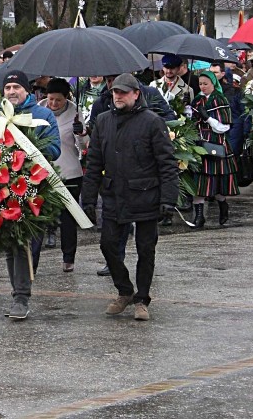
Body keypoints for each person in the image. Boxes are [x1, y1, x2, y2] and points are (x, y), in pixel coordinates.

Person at [81, 73, 179, 322]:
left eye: (124, 92)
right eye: (115, 92)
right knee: (108, 245)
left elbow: (167, 163)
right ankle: (124, 290)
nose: (118, 96)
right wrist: (89, 200)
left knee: (146, 249)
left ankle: (142, 299)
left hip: (146, 195)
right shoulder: (103, 121)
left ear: (137, 94)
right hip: (114, 195)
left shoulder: (152, 121)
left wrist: (169, 198)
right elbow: (93, 163)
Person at [1, 70, 60, 319]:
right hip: (2, 187)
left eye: (17, 87)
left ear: (27, 90)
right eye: (8, 88)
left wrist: (27, 153)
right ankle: (19, 292)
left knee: (26, 241)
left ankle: (21, 295)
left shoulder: (43, 115)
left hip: (34, 187)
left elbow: (54, 149)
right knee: (10, 241)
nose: (12, 91)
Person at [38, 78, 86, 271]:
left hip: (69, 171)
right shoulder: (38, 111)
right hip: (42, 171)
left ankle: (69, 257)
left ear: (67, 98)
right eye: (50, 99)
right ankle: (33, 257)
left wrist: (80, 133)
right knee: (38, 215)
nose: (53, 104)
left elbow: (82, 147)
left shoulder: (75, 112)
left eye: (58, 100)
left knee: (68, 218)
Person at [188, 71, 239, 227]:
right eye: (200, 84)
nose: (202, 87)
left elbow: (224, 127)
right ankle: (199, 216)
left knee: (217, 185)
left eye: (205, 84)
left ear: (213, 83)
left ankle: (223, 207)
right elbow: (189, 121)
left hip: (216, 144)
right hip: (199, 145)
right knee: (199, 182)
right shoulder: (197, 100)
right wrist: (187, 107)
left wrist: (208, 118)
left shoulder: (220, 99)